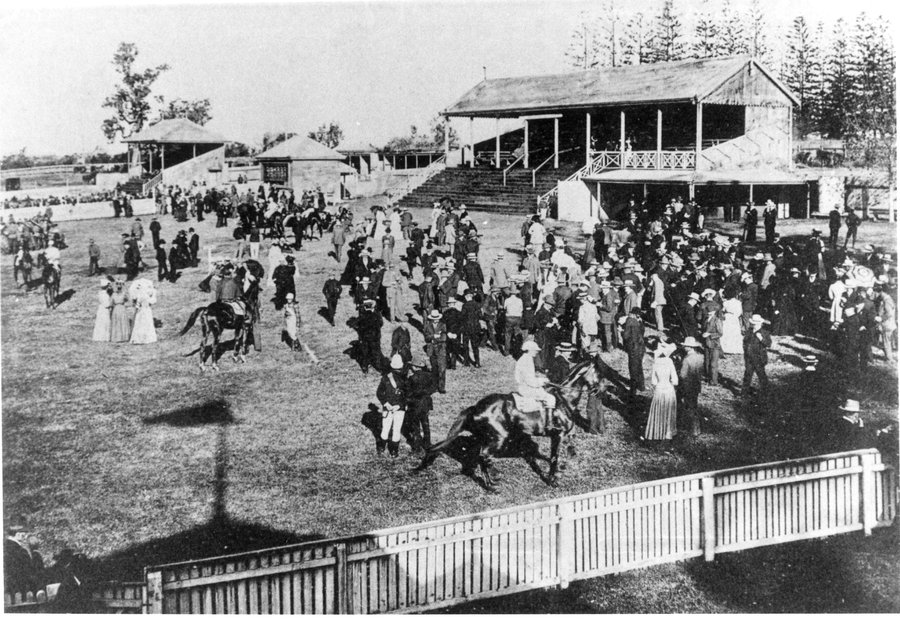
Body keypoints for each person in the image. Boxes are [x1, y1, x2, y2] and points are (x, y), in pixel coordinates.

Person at [643, 341, 678, 441]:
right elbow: (675, 380)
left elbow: (653, 381)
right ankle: (668, 433)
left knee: (659, 411)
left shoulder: (656, 362)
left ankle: (658, 432)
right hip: (668, 389)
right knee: (668, 411)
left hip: (659, 390)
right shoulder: (670, 362)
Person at [4, 514, 46, 596]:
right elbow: (29, 575)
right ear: (18, 533)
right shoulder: (21, 552)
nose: (26, 536)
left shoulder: (5, 548)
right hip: (22, 593)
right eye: (25, 533)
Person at [376, 354, 407, 457]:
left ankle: (381, 447)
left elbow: (379, 393)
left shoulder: (386, 378)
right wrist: (399, 405)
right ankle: (394, 451)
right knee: (396, 429)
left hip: (387, 408)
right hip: (400, 408)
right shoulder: (405, 378)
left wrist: (386, 403)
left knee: (385, 429)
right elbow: (408, 395)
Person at [515, 340, 555, 412]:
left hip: (524, 386)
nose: (536, 352)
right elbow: (530, 381)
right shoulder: (526, 360)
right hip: (527, 389)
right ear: (529, 350)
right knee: (551, 398)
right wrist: (543, 381)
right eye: (535, 350)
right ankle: (549, 422)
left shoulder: (525, 359)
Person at [678, 337, 705, 436]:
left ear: (689, 347)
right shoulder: (700, 357)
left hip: (687, 386)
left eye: (686, 346)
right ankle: (697, 428)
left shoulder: (687, 359)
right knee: (694, 406)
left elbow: (682, 375)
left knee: (689, 406)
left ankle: (692, 428)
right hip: (696, 385)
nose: (684, 348)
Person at [741, 314, 772, 401]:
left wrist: (761, 339)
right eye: (753, 323)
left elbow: (768, 344)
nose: (754, 325)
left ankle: (766, 393)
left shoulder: (764, 332)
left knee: (762, 376)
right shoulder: (749, 331)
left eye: (756, 323)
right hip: (749, 358)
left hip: (759, 358)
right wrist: (746, 351)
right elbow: (745, 342)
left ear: (760, 324)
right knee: (747, 376)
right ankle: (744, 393)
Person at [621, 307, 646, 397]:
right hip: (641, 347)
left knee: (633, 369)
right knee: (639, 366)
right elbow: (642, 332)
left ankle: (633, 390)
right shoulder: (639, 322)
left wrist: (621, 331)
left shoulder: (629, 321)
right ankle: (642, 386)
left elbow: (626, 336)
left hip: (633, 348)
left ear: (632, 314)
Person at [424, 309, 448, 393]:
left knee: (442, 369)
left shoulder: (443, 325)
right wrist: (433, 336)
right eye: (434, 318)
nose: (436, 320)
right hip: (431, 350)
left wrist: (435, 339)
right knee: (433, 369)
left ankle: (441, 387)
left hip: (441, 349)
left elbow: (444, 337)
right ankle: (433, 387)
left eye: (437, 318)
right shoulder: (427, 326)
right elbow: (426, 338)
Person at [356, 299, 383, 374]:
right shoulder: (375, 314)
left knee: (369, 353)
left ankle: (367, 367)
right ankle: (375, 367)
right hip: (372, 337)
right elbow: (381, 323)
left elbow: (359, 327)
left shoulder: (363, 315)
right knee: (373, 352)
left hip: (369, 337)